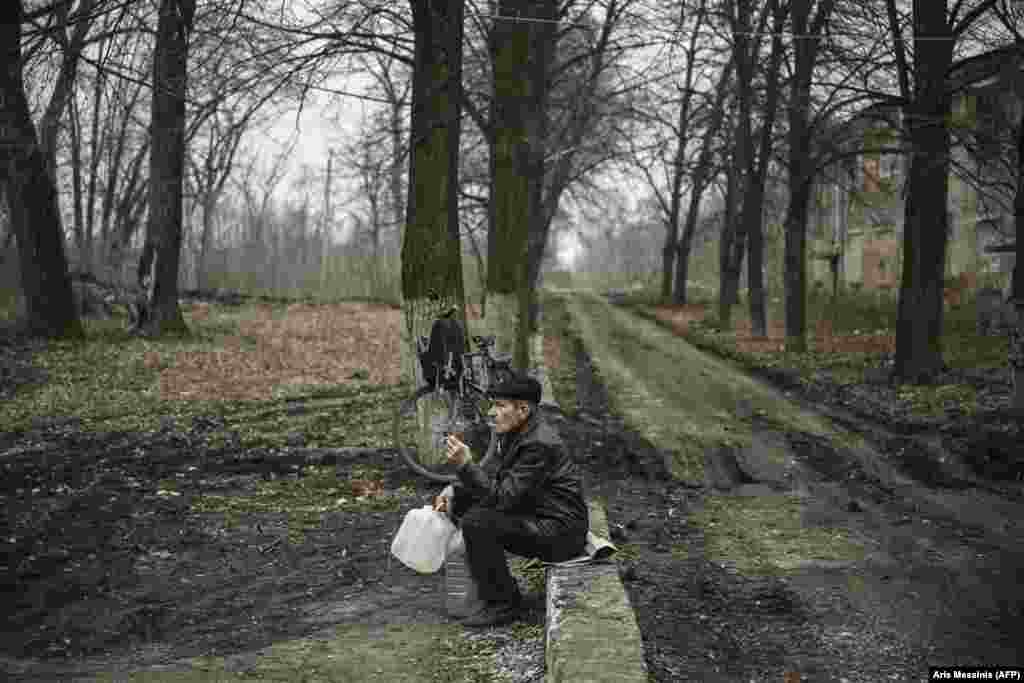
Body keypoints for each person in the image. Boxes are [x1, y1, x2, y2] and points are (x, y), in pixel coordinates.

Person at [433, 371, 588, 627]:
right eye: (492, 404)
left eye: (500, 405)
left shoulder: (539, 444)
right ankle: (478, 585)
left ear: (523, 409)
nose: (492, 412)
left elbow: (502, 497)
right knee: (462, 502)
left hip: (560, 532)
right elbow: (500, 481)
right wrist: (457, 490)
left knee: (478, 523)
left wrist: (465, 466)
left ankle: (504, 603)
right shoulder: (520, 431)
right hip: (538, 512)